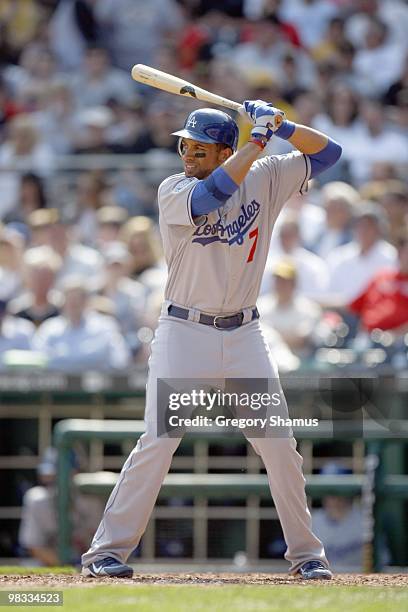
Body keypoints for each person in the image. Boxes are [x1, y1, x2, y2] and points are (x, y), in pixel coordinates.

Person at [81, 100, 342, 579]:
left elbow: (329, 154)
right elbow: (213, 197)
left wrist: (283, 126)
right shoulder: (176, 188)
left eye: (200, 149)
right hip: (185, 330)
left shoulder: (264, 175)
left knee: (280, 444)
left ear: (224, 150)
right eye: (186, 145)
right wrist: (257, 140)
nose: (189, 154)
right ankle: (105, 554)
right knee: (158, 440)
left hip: (245, 331)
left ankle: (307, 557)